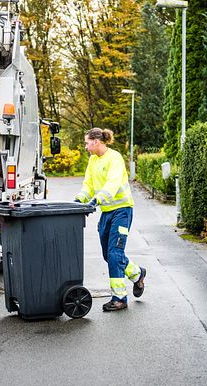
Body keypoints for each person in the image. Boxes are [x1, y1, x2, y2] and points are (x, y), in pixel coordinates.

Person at [75, 127, 146, 311]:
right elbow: (88, 183)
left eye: (87, 143)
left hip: (122, 211)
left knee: (115, 254)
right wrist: (80, 199)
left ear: (96, 142)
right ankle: (137, 274)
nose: (86, 147)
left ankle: (120, 297)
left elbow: (113, 183)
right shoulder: (93, 160)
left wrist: (97, 199)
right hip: (107, 212)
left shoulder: (115, 158)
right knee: (109, 255)